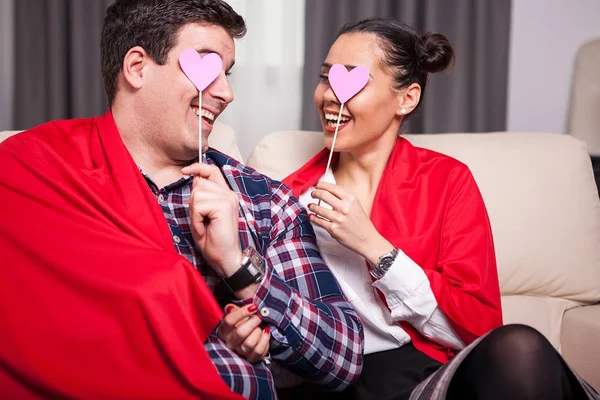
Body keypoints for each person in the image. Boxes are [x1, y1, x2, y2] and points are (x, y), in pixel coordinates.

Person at [0, 1, 364, 399]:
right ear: (137, 67)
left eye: (227, 75)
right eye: (207, 67)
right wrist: (207, 347)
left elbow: (342, 359)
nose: (226, 93)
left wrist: (239, 269)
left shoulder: (263, 201)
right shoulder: (34, 166)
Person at [281, 18, 599, 400]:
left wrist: (376, 249)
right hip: (337, 382)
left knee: (519, 346)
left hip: (426, 375)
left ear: (406, 98)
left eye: (352, 79)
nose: (331, 95)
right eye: (324, 77)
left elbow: (478, 329)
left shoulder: (448, 180)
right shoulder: (288, 197)